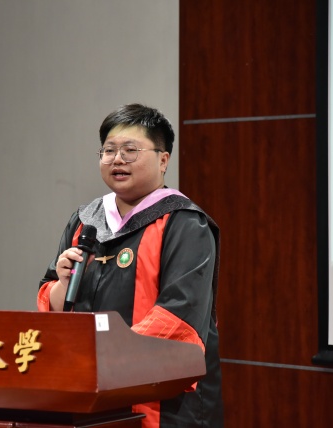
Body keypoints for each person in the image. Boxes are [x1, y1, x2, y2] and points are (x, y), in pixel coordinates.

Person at [37, 104, 223, 427]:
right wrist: (62, 287)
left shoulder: (184, 224)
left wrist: (102, 359)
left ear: (163, 160)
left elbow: (179, 318)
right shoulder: (85, 221)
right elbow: (50, 301)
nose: (117, 159)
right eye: (109, 150)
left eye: (130, 150)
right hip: (90, 395)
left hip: (162, 404)